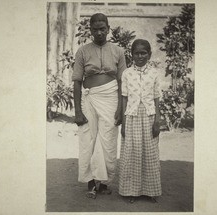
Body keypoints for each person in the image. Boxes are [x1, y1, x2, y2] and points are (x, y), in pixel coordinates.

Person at [72, 13, 127, 199]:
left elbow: (122, 82)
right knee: (88, 139)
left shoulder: (118, 51)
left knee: (108, 140)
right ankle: (90, 182)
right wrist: (77, 111)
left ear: (108, 29)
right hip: (89, 99)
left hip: (111, 99)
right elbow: (77, 82)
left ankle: (102, 183)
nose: (99, 32)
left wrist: (121, 109)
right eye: (95, 29)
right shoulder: (82, 51)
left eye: (102, 28)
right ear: (90, 30)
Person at [119, 39, 162, 203]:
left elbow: (157, 98)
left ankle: (150, 191)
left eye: (143, 53)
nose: (140, 56)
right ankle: (132, 191)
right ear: (132, 54)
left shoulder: (154, 73)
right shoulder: (127, 73)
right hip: (132, 116)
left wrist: (157, 119)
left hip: (149, 116)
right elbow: (124, 98)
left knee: (150, 153)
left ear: (149, 54)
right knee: (133, 153)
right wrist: (123, 123)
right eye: (137, 53)